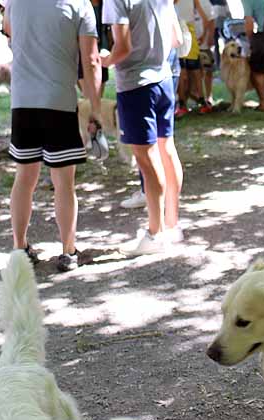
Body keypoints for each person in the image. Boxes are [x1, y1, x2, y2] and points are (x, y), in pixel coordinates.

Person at [4, 0, 102, 271]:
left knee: (24, 178)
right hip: (59, 100)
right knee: (63, 182)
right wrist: (95, 108)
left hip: (22, 100)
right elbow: (91, 60)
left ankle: (19, 248)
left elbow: (10, 33)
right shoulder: (80, 4)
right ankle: (68, 251)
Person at [104, 0, 184, 254]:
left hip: (136, 86)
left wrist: (105, 59)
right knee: (167, 151)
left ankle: (155, 233)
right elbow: (176, 39)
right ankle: (171, 224)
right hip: (163, 79)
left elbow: (123, 46)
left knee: (147, 161)